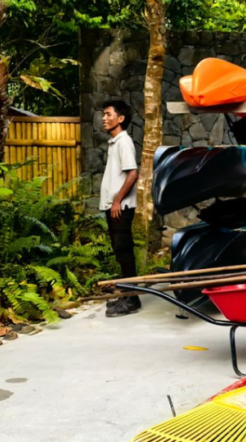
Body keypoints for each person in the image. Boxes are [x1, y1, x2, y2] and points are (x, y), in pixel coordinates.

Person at [99, 100, 142, 317]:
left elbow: (133, 173)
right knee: (120, 251)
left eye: (108, 114)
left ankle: (132, 299)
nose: (104, 118)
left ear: (120, 118)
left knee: (124, 251)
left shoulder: (124, 142)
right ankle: (127, 294)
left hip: (121, 207)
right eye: (103, 115)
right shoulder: (115, 142)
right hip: (115, 206)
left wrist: (117, 200)